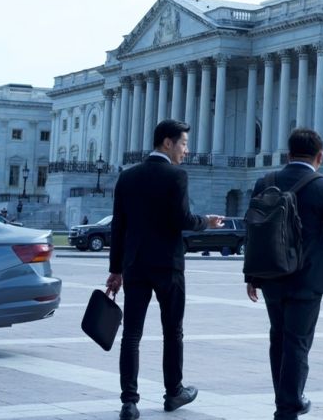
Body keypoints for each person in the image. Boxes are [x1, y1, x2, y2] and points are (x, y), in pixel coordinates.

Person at [106, 119, 223, 420]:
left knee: (131, 334)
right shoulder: (176, 176)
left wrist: (115, 269)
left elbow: (119, 227)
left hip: (134, 265)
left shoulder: (127, 177)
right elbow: (181, 219)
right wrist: (205, 222)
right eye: (183, 143)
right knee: (173, 331)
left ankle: (129, 402)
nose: (186, 150)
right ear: (167, 143)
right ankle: (174, 392)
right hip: (168, 265)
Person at [246, 128, 323, 420]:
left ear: (288, 154)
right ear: (319, 156)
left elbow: (254, 231)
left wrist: (251, 276)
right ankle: (288, 407)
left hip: (271, 276)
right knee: (297, 342)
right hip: (307, 279)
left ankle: (285, 400)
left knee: (278, 339)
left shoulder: (265, 182)